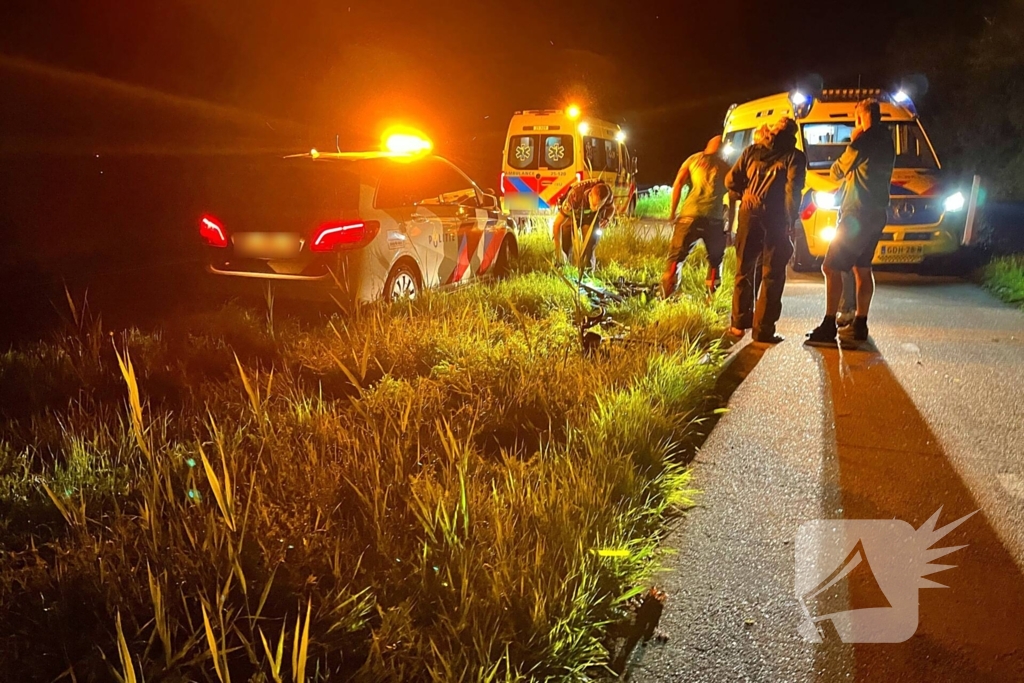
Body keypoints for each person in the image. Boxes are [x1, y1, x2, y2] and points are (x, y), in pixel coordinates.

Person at [805, 99, 895, 346]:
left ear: (860, 117)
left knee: (830, 267)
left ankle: (828, 325)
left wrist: (854, 138)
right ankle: (860, 324)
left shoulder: (862, 141)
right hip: (877, 214)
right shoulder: (887, 140)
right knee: (862, 268)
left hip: (857, 213)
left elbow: (837, 171)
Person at [725, 117, 807, 344]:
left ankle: (738, 325)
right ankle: (763, 330)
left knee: (744, 269)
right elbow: (793, 191)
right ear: (793, 134)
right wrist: (791, 221)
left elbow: (730, 181)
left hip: (748, 215)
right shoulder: (795, 156)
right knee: (772, 274)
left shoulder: (752, 151)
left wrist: (745, 194)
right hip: (775, 218)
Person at [661, 135, 730, 298]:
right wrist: (729, 223)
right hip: (714, 220)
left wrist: (673, 212)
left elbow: (678, 183)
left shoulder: (693, 160)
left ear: (707, 146)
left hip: (689, 216)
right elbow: (734, 194)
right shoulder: (727, 167)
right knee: (715, 261)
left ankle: (666, 295)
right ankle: (711, 298)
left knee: (675, 258)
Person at [552, 178, 615, 269]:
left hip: (590, 218)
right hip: (573, 214)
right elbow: (557, 224)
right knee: (565, 240)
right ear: (590, 195)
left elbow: (611, 208)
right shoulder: (574, 196)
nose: (595, 208)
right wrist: (558, 249)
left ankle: (587, 269)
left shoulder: (607, 194)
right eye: (594, 204)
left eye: (599, 205)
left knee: (590, 242)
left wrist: (607, 219)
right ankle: (562, 266)